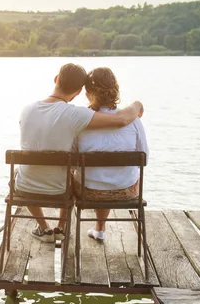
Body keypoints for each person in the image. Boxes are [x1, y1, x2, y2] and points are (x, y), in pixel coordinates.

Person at [15, 63, 144, 243]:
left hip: (25, 186)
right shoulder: (76, 114)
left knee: (19, 173)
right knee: (71, 175)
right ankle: (61, 226)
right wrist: (137, 105)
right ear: (78, 91)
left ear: (56, 79)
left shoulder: (26, 109)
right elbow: (121, 120)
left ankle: (44, 228)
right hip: (62, 189)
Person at [74, 66, 149, 241]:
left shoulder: (81, 121)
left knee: (80, 174)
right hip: (125, 190)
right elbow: (144, 157)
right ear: (115, 90)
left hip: (88, 191)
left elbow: (73, 158)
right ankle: (99, 228)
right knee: (112, 175)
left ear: (87, 94)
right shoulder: (133, 121)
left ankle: (63, 228)